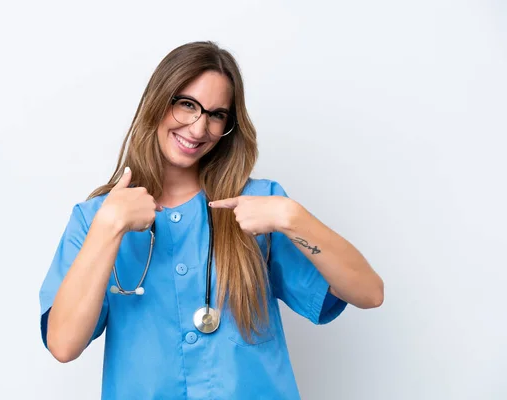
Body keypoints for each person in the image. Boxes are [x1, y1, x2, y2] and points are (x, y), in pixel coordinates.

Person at [38, 40, 384, 399]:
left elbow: (369, 293)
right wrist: (109, 228)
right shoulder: (96, 218)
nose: (199, 128)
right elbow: (63, 345)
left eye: (217, 115)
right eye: (187, 105)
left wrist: (291, 216)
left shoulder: (259, 207)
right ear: (157, 101)